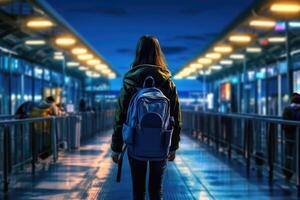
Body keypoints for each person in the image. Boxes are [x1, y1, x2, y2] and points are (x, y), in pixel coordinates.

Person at [111, 35, 182, 200]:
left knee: (138, 190)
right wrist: (173, 146)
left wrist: (116, 147)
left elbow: (120, 117)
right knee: (156, 190)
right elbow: (176, 117)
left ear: (138, 52)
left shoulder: (130, 81)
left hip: (136, 140)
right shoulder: (167, 82)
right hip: (161, 141)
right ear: (159, 53)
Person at [282, 92, 300, 180]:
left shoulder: (287, 109)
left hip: (289, 135)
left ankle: (288, 172)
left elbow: (285, 124)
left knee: (288, 153)